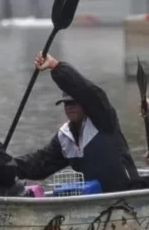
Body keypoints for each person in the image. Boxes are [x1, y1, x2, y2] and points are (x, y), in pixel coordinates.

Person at [14, 54, 140, 193]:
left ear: (85, 104)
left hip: (127, 195)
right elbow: (39, 164)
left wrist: (56, 67)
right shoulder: (64, 137)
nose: (69, 107)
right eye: (66, 103)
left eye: (74, 102)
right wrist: (4, 167)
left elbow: (89, 91)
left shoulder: (103, 120)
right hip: (93, 202)